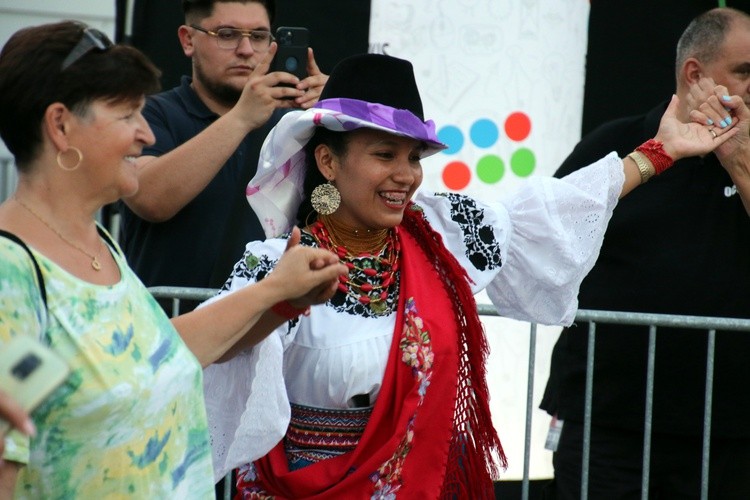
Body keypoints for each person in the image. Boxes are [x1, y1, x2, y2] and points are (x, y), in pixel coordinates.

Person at [199, 52, 735, 498]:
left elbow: (550, 209)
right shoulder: (277, 261)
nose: (405, 175)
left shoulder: (441, 232)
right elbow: (211, 353)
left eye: (414, 157)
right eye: (384, 154)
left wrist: (659, 153)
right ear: (329, 161)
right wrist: (276, 296)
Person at [0, 21, 347, 498]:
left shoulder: (96, 241)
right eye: (126, 115)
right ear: (60, 125)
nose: (145, 133)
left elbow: (153, 350)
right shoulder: (11, 272)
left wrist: (278, 293)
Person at [539, 7, 750, 499]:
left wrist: (736, 154)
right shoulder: (614, 144)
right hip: (611, 424)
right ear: (694, 74)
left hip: (734, 432)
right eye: (745, 72)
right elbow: (545, 238)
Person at [118, 0, 330, 312]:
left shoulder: (293, 126)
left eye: (259, 36)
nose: (246, 50)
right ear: (188, 39)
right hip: (166, 333)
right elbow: (148, 198)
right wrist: (242, 118)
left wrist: (340, 121)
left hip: (263, 335)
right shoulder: (150, 114)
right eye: (227, 34)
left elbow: (332, 209)